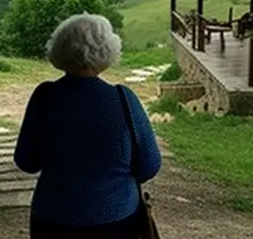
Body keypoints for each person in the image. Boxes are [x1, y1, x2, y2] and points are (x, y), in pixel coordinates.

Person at [14, 13, 161, 238]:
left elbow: (26, 161)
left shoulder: (44, 96)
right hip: (116, 221)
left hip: (53, 220)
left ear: (59, 49)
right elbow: (149, 166)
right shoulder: (123, 99)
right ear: (108, 50)